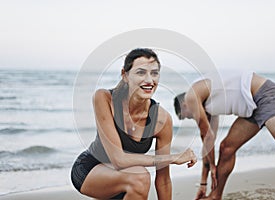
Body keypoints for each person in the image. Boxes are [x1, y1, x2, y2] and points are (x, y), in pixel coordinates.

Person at [71, 48, 197, 200]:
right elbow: (119, 160)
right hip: (90, 170)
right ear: (125, 75)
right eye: (141, 72)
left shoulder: (162, 120)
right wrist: (172, 158)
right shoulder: (104, 98)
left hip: (126, 179)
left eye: (154, 73)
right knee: (140, 177)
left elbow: (163, 180)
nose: (149, 80)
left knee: (138, 177)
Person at [173, 70, 275, 200]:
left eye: (187, 116)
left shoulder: (191, 96)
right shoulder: (209, 108)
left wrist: (212, 166)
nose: (192, 118)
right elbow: (208, 143)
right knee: (226, 148)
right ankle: (215, 196)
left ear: (184, 105)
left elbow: (206, 135)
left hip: (266, 96)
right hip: (253, 109)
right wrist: (203, 183)